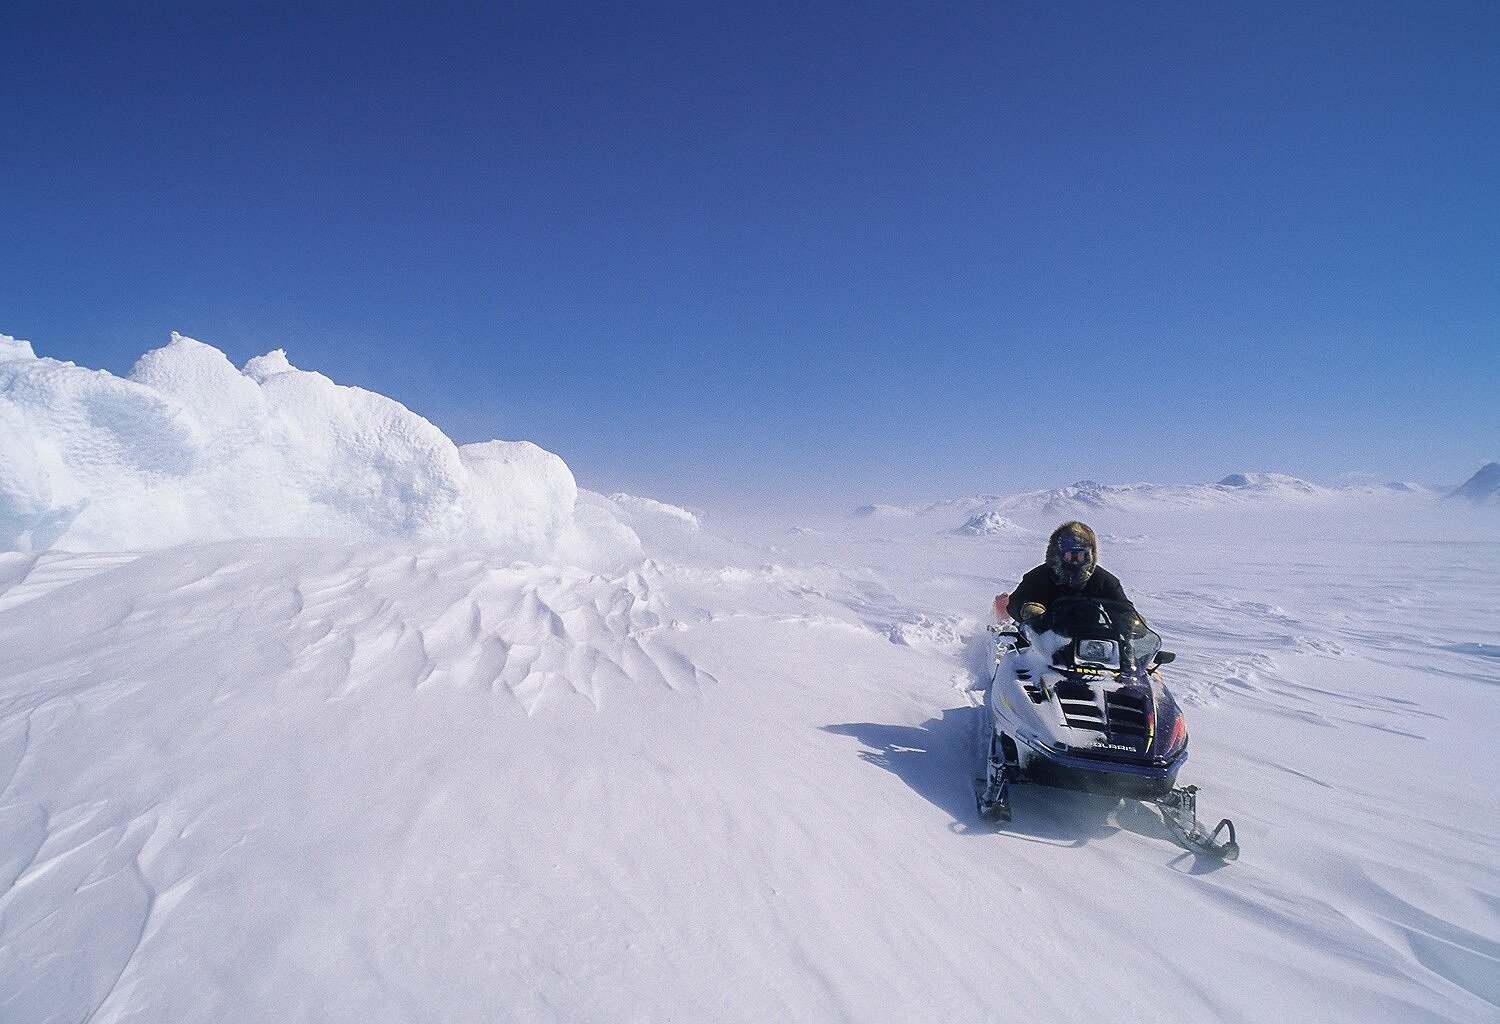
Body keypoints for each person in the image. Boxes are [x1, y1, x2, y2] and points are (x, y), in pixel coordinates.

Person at [1006, 521, 1133, 625]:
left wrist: (1130, 621)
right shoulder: (1039, 576)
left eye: (1081, 556)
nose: (1076, 562)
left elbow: (1122, 607)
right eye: (1071, 556)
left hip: (1089, 641)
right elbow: (1015, 601)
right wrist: (1027, 610)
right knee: (1020, 653)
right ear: (1058, 555)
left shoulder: (1103, 581)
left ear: (1090, 555)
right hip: (1042, 639)